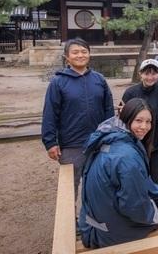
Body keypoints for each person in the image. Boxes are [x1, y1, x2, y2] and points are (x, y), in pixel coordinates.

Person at [78, 98, 158, 248]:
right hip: (107, 234)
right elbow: (133, 206)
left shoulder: (110, 138)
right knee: (156, 221)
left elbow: (139, 177)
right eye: (139, 120)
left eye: (148, 122)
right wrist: (155, 215)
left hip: (92, 222)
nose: (144, 127)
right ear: (127, 118)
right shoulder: (127, 156)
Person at [41, 38, 114, 198]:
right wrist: (50, 142)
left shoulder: (99, 80)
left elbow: (108, 110)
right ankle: (70, 214)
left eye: (84, 51)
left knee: (99, 185)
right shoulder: (58, 82)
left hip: (98, 142)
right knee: (69, 188)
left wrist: (110, 135)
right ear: (67, 57)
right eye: (75, 52)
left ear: (89, 54)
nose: (80, 55)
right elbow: (50, 113)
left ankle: (95, 213)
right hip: (71, 145)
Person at [121, 58, 158, 189]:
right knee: (133, 178)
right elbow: (123, 118)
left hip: (156, 144)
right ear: (140, 74)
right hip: (134, 143)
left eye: (154, 73)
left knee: (157, 180)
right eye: (146, 73)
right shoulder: (130, 92)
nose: (150, 77)